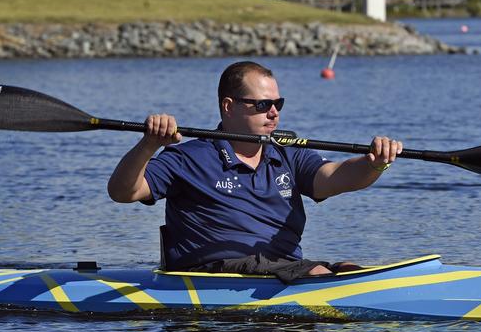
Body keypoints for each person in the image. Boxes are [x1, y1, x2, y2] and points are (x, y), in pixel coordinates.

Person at [108, 61, 402, 282]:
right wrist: (147, 146)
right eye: (263, 104)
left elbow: (334, 177)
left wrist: (374, 163)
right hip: (213, 274)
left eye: (278, 103)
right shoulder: (189, 157)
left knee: (349, 268)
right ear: (228, 107)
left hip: (279, 268)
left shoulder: (287, 151)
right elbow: (123, 192)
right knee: (318, 273)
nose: (274, 112)